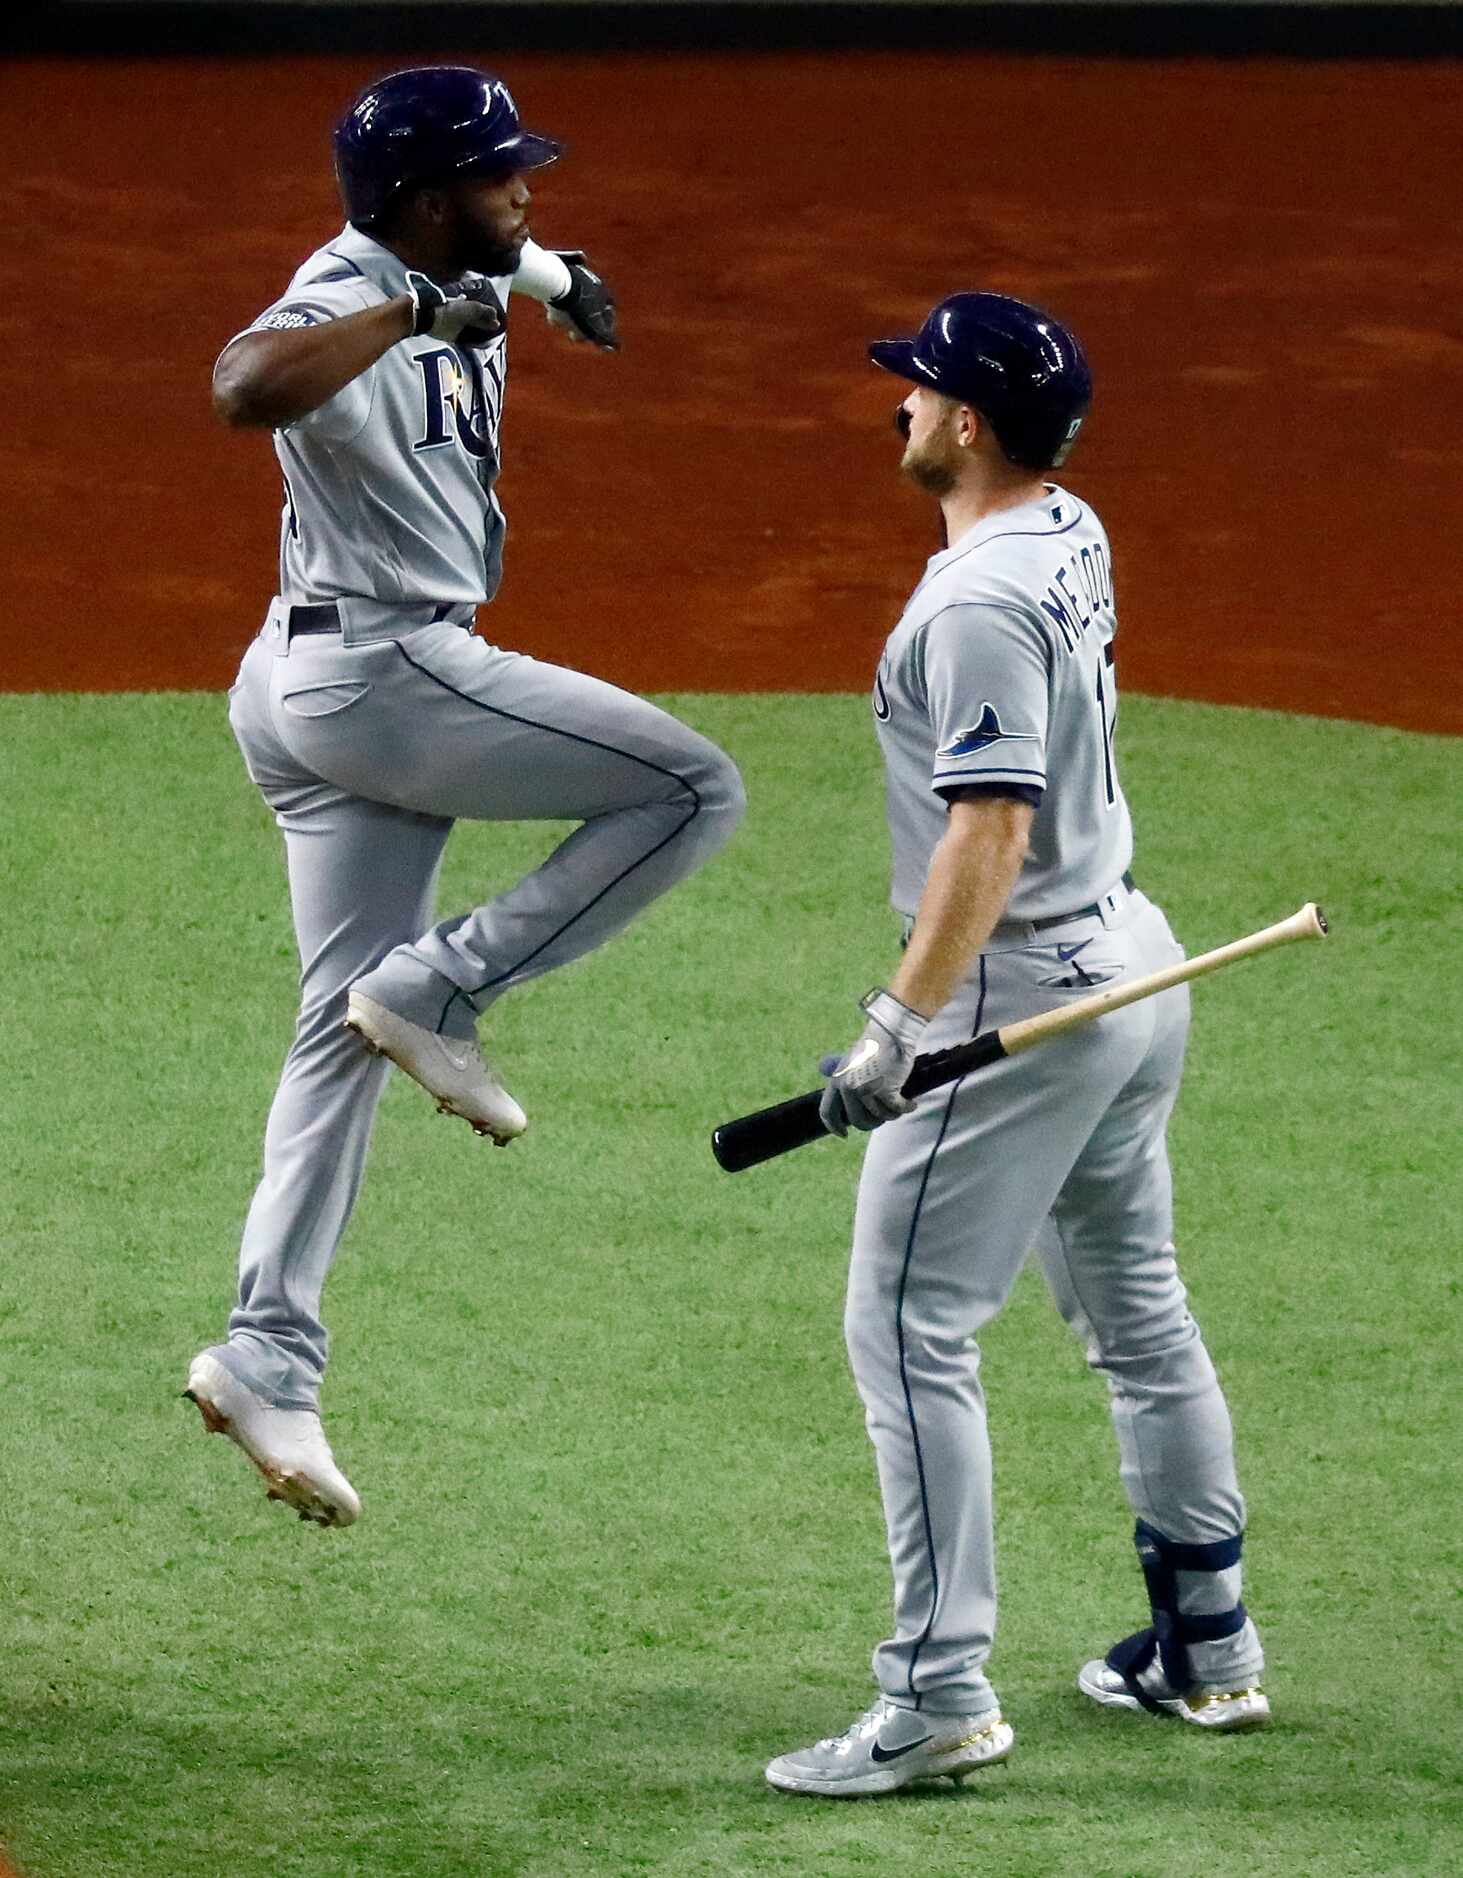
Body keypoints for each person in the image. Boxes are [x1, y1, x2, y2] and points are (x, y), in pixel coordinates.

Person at [184, 67, 744, 1529]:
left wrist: (558, 280)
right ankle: (448, 987)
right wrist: (413, 315)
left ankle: (267, 1352)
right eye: (505, 177)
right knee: (693, 788)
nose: (529, 189)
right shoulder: (349, 290)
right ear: (428, 205)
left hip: (308, 683)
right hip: (387, 677)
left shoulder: (468, 253)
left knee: (332, 1027)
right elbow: (244, 387)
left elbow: (503, 259)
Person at [763, 293, 1268, 1798]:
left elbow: (990, 826)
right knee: (1140, 1309)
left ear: (967, 421)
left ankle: (935, 1693)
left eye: (916, 386)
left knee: (906, 1326)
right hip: (1132, 959)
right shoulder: (1071, 524)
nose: (897, 404)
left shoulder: (974, 601)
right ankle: (1207, 1645)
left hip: (1022, 1000)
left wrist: (896, 1024)